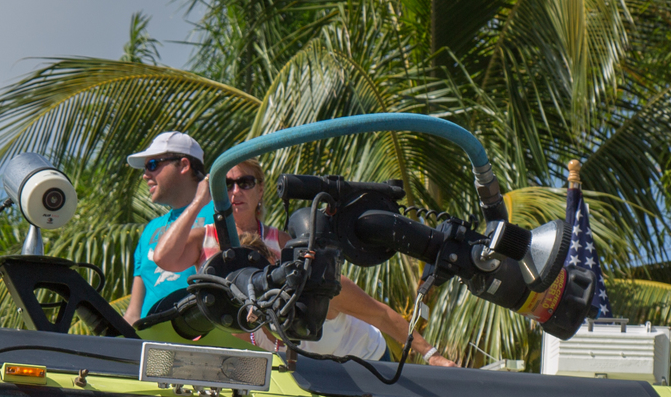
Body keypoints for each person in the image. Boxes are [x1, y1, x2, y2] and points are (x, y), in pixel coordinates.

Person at [147, 155, 452, 365]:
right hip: (296, 355)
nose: (236, 191)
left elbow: (381, 315)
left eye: (245, 182)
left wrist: (432, 355)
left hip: (360, 356)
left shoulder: (287, 247)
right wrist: (200, 200)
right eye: (226, 185)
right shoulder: (206, 239)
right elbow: (163, 257)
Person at [122, 132, 206, 325]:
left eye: (153, 165)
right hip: (151, 347)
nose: (145, 175)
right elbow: (133, 314)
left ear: (184, 165)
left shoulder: (222, 216)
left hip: (199, 344)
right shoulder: (150, 230)